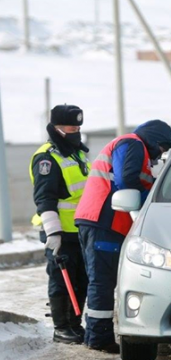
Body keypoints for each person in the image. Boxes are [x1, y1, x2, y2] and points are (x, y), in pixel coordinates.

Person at [74, 119, 171, 353]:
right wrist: (153, 196)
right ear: (155, 140)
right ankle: (98, 338)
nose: (161, 154)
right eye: (162, 147)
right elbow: (126, 180)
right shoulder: (132, 143)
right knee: (102, 280)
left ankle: (94, 335)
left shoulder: (135, 148)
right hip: (104, 221)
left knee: (102, 280)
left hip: (103, 221)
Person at [29, 104, 90, 344]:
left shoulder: (77, 153)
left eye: (78, 126)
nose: (75, 130)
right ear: (56, 127)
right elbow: (45, 198)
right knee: (61, 280)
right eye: (70, 126)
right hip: (60, 232)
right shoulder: (48, 157)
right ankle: (61, 327)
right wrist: (53, 232)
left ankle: (75, 324)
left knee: (81, 280)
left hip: (81, 229)